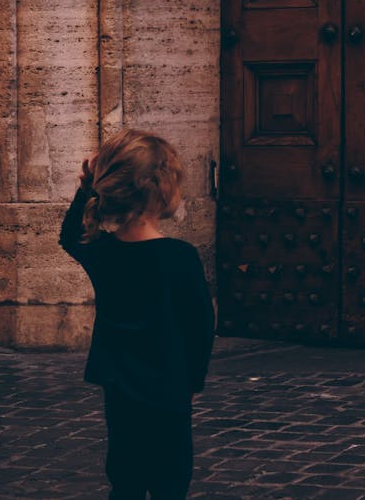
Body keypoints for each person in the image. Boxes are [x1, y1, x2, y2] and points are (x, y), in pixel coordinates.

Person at [58, 128, 215, 499]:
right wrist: (194, 381)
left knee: (126, 475)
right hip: (169, 382)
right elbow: (201, 326)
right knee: (171, 478)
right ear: (162, 190)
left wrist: (84, 189)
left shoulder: (104, 252)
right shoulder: (180, 256)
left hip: (121, 381)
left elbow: (69, 236)